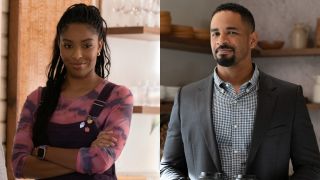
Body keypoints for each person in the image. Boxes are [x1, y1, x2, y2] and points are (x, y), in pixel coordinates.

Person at [160, 3, 320, 180]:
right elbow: (168, 166)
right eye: (215, 33)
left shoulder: (289, 97)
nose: (221, 40)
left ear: (252, 40)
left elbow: (311, 168)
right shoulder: (186, 97)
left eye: (231, 32)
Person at [12, 3, 133, 179]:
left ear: (99, 46)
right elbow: (19, 166)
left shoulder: (118, 97)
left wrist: (43, 152)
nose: (77, 55)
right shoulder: (37, 100)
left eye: (86, 45)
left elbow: (100, 161)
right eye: (68, 46)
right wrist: (86, 158)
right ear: (59, 46)